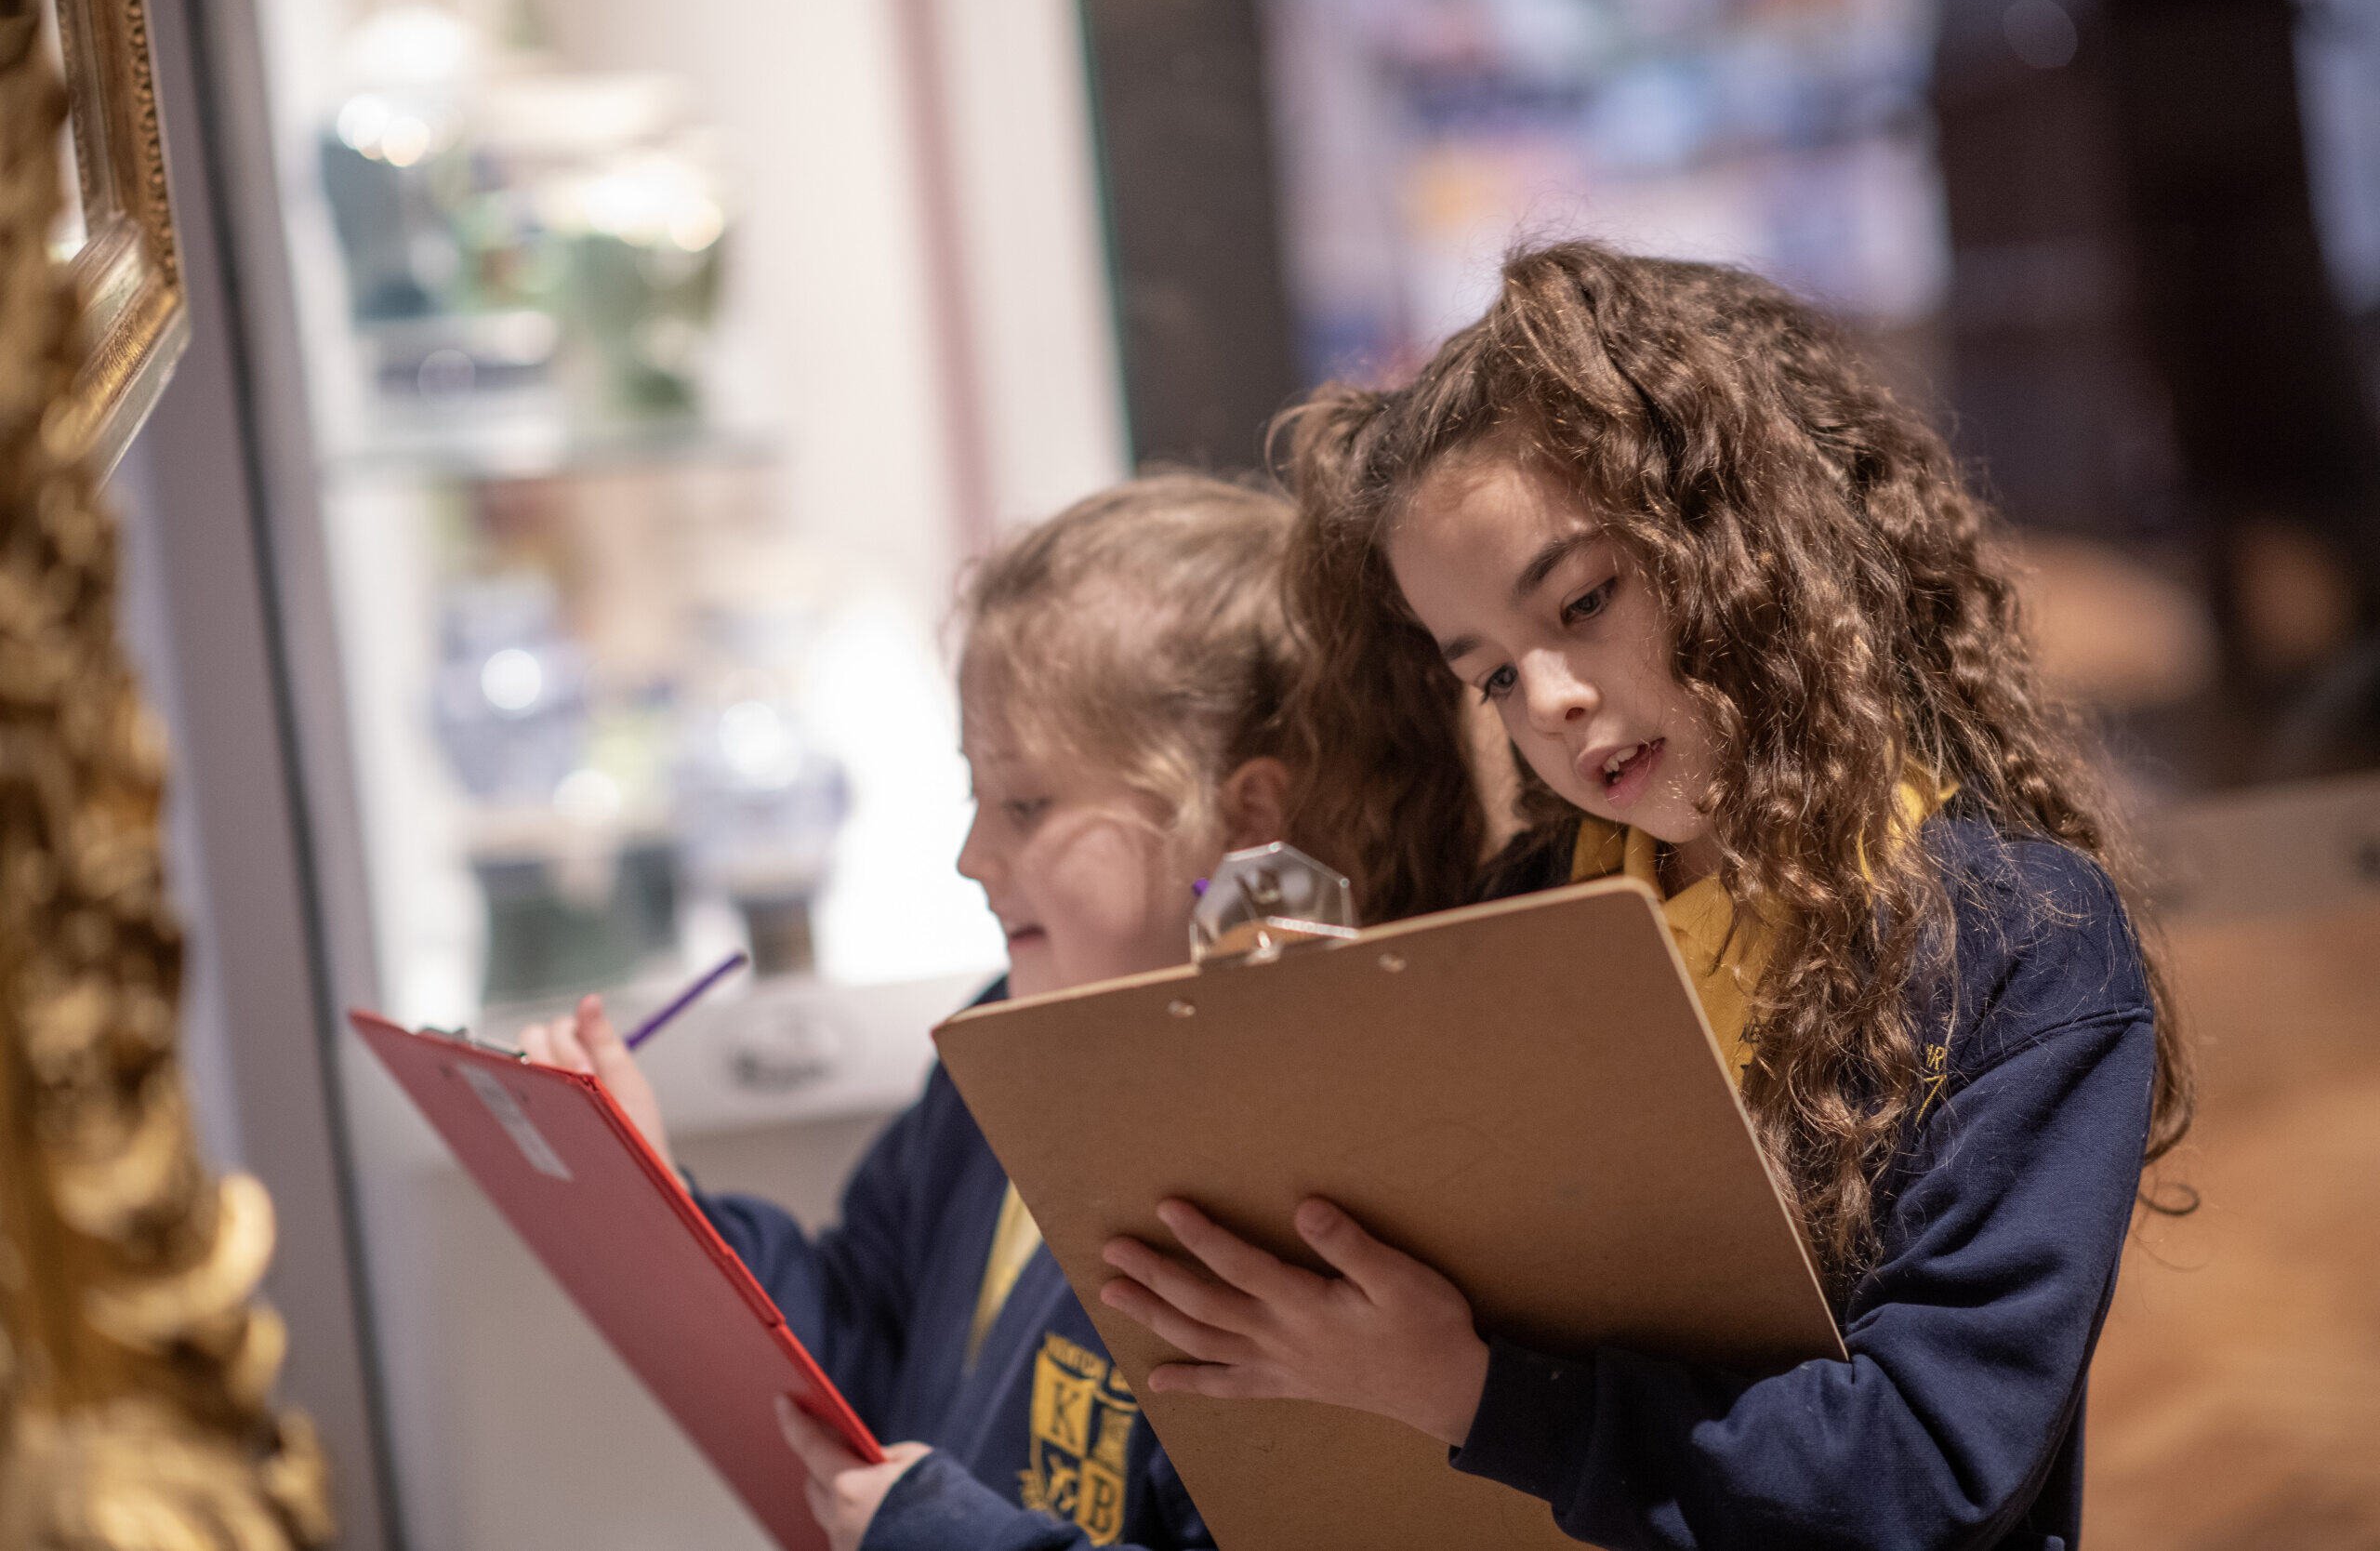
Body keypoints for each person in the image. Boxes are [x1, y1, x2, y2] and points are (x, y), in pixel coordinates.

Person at [1096, 241, 2195, 1551]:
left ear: (1737, 541)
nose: (1549, 699)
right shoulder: (1511, 922)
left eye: (1584, 598)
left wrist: (1472, 1392)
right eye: (1491, 673)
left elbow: (1923, 1467)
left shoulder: (2023, 943)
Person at [524, 475, 1301, 1551]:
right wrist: (654, 1193)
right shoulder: (997, 1046)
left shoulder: (1298, 1159)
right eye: (975, 794)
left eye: (1027, 803)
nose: (972, 856)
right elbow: (862, 1340)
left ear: (1245, 813)